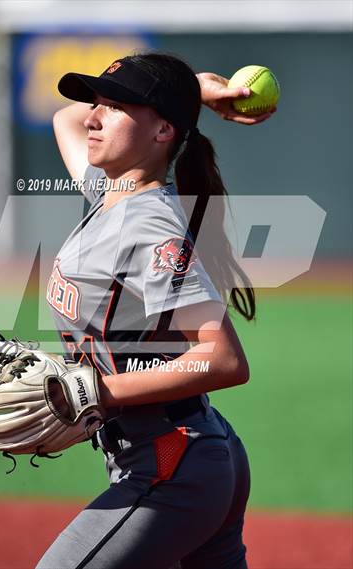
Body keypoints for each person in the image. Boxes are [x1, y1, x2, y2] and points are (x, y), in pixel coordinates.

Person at [38, 51, 275, 569]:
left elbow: (224, 360)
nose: (94, 118)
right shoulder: (111, 192)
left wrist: (98, 391)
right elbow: (65, 117)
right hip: (188, 452)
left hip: (173, 463)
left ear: (163, 130)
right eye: (97, 102)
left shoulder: (149, 225)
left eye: (116, 107)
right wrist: (192, 90)